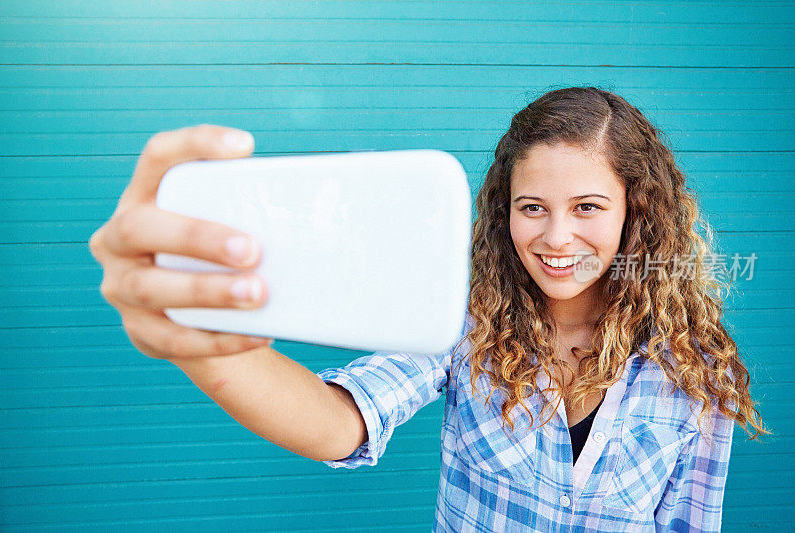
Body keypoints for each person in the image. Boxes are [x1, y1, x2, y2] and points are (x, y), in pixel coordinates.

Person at [89, 87, 769, 532]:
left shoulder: (696, 368)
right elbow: (339, 423)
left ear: (635, 214)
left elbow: (691, 521)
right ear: (505, 214)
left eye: (587, 207)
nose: (556, 238)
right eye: (532, 207)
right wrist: (204, 344)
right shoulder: (466, 323)